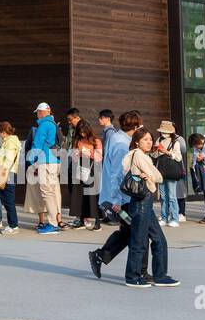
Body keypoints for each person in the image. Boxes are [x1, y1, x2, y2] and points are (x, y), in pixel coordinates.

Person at [122, 128, 178, 288]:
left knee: (158, 239)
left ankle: (160, 276)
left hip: (144, 201)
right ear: (137, 141)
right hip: (141, 201)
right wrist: (149, 175)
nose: (149, 142)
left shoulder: (138, 155)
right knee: (139, 241)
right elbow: (158, 176)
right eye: (145, 139)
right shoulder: (139, 155)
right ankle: (132, 277)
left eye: (150, 139)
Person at [87, 111, 141, 280]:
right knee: (135, 231)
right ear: (133, 126)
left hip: (121, 197)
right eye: (139, 125)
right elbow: (117, 174)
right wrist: (116, 200)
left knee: (129, 231)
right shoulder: (120, 144)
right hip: (121, 198)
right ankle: (138, 271)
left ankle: (101, 255)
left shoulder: (121, 139)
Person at [25, 102, 62, 233]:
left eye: (38, 112)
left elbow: (37, 144)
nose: (38, 115)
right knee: (51, 193)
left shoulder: (43, 125)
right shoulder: (54, 125)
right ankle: (54, 221)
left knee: (47, 193)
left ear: (40, 112)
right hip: (55, 161)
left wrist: (31, 162)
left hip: (45, 162)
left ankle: (52, 224)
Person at [69, 118, 103, 230]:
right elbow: (73, 157)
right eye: (80, 131)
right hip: (79, 168)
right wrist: (77, 153)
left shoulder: (96, 141)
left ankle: (97, 222)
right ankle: (82, 220)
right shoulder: (77, 140)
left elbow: (99, 157)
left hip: (93, 169)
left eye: (84, 131)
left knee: (92, 196)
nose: (82, 134)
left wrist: (89, 154)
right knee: (79, 196)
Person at [152, 121, 184, 228]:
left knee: (172, 196)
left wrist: (166, 151)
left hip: (171, 171)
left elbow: (178, 157)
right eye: (162, 132)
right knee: (163, 196)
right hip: (161, 170)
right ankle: (164, 217)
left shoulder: (176, 142)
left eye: (165, 132)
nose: (163, 134)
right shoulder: (159, 140)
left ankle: (174, 218)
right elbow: (154, 155)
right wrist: (156, 150)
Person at [0, 120, 22, 234]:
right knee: (8, 200)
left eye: (0, 132)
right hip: (9, 173)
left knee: (8, 201)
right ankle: (12, 225)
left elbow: (8, 159)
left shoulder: (10, 142)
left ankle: (13, 226)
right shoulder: (10, 141)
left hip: (6, 173)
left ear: (3, 132)